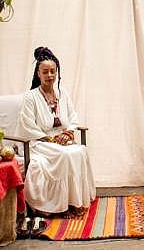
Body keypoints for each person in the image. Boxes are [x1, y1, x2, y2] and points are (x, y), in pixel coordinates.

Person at [16, 46, 96, 218]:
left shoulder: (62, 93)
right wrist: (50, 139)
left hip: (61, 139)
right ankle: (61, 206)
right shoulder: (30, 97)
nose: (50, 75)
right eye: (45, 72)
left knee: (79, 151)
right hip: (39, 142)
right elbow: (27, 125)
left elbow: (73, 117)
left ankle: (75, 201)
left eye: (53, 71)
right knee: (64, 155)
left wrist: (67, 133)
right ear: (38, 74)